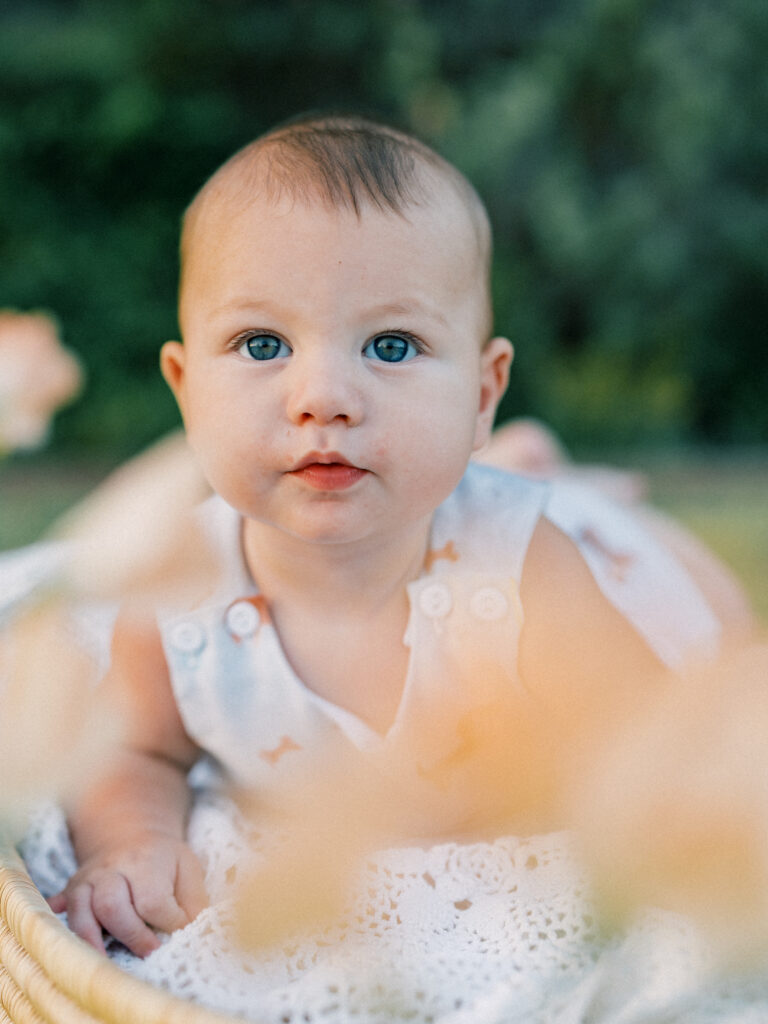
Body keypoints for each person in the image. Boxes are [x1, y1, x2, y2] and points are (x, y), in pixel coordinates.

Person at [48, 113, 735, 958]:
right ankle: (527, 458)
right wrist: (129, 840)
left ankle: (547, 475)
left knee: (699, 598)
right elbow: (133, 749)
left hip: (578, 544)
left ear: (482, 394)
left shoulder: (522, 572)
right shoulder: (177, 589)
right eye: (262, 343)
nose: (324, 396)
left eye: (392, 344)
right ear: (187, 391)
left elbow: (649, 740)